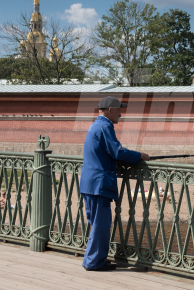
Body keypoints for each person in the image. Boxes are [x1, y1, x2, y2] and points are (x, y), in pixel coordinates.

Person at [80, 96, 150, 271]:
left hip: (90, 183)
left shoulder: (95, 125)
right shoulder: (104, 126)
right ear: (110, 110)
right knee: (101, 225)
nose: (121, 113)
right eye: (119, 109)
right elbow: (117, 152)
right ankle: (94, 262)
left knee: (96, 224)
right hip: (99, 184)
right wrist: (139, 155)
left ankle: (94, 259)